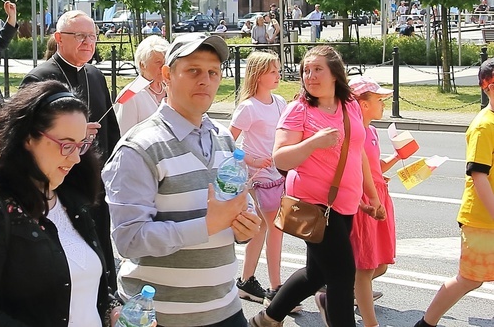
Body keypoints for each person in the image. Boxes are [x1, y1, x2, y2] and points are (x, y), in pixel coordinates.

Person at [103, 33, 262, 327]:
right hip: (160, 317)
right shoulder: (139, 148)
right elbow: (129, 240)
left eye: (213, 72)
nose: (205, 80)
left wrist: (245, 226)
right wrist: (206, 226)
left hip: (226, 310)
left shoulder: (224, 138)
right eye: (193, 71)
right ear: (166, 75)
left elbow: (240, 206)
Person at [250, 46, 384, 327]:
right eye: (306, 70)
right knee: (342, 275)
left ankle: (268, 318)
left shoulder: (349, 105)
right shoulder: (298, 109)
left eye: (317, 69)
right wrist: (312, 143)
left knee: (316, 274)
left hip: (345, 203)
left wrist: (370, 194)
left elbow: (357, 151)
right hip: (315, 204)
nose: (309, 75)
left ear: (335, 73)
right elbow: (280, 158)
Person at [0, 81, 119, 327]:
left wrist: (112, 309)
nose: (74, 158)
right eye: (66, 144)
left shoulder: (73, 199)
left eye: (81, 145)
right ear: (29, 138)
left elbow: (87, 283)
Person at [22, 10, 122, 289]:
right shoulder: (40, 78)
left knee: (100, 245)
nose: (88, 42)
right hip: (57, 182)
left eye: (92, 36)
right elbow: (26, 133)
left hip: (93, 180)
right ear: (58, 38)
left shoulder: (95, 75)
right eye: (79, 36)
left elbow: (111, 128)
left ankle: (106, 297)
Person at [413, 59, 494, 327]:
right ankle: (426, 323)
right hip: (482, 220)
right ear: (489, 88)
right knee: (470, 278)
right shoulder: (484, 127)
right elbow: (479, 175)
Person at [230, 52, 291, 309]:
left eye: (278, 70)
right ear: (258, 75)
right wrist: (252, 160)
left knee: (262, 229)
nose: (278, 75)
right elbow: (227, 146)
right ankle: (276, 289)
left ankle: (246, 281)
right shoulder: (248, 107)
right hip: (261, 179)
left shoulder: (279, 102)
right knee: (275, 229)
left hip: (280, 176)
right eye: (273, 71)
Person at [349, 77, 401, 327]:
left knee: (381, 264)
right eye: (379, 100)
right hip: (365, 201)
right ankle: (371, 322)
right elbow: (355, 171)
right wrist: (369, 195)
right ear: (362, 104)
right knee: (367, 265)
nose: (383, 104)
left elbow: (373, 167)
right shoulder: (353, 131)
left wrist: (398, 157)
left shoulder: (370, 130)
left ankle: (345, 292)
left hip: (379, 194)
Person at [114, 35, 168, 135]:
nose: (163, 67)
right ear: (142, 65)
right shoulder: (130, 94)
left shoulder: (170, 89)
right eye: (158, 62)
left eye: (166, 62)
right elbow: (124, 135)